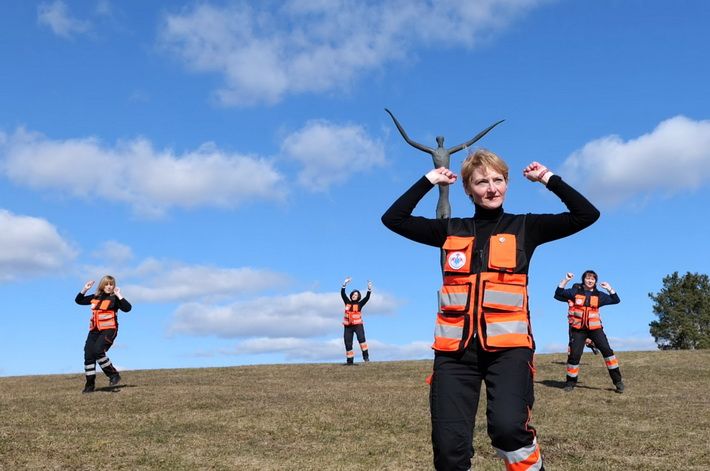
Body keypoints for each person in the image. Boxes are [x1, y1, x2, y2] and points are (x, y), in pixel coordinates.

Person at [382, 148, 599, 470]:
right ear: (468, 189)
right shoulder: (450, 230)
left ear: (507, 184)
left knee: (508, 430)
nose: (491, 188)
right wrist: (431, 180)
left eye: (498, 180)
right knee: (448, 450)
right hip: (454, 355)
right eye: (482, 182)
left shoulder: (526, 226)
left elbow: (586, 214)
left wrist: (548, 179)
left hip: (509, 351)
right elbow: (394, 219)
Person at [554, 271, 624, 393]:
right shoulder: (575, 292)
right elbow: (558, 293)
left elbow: (616, 300)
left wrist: (609, 288)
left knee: (608, 352)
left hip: (595, 330)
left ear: (595, 281)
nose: (590, 280)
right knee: (574, 356)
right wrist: (566, 280)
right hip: (578, 330)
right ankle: (570, 382)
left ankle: (618, 382)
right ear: (584, 280)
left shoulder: (599, 295)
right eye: (588, 278)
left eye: (592, 279)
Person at [75, 275, 132, 393]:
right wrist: (85, 289)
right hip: (94, 331)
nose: (109, 286)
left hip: (109, 329)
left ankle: (114, 375)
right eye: (106, 284)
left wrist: (119, 295)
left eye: (111, 284)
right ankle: (89, 385)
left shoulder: (115, 298)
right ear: (102, 285)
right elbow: (78, 301)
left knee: (98, 351)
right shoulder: (96, 296)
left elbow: (127, 308)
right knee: (89, 355)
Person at [341, 277, 373, 365]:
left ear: (358, 296)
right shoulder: (347, 302)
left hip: (358, 325)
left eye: (356, 295)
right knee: (348, 344)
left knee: (362, 340)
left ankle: (366, 357)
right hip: (348, 326)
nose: (354, 296)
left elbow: (367, 298)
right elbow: (343, 294)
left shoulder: (360, 304)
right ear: (351, 295)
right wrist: (344, 284)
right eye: (353, 295)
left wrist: (369, 289)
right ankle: (350, 362)